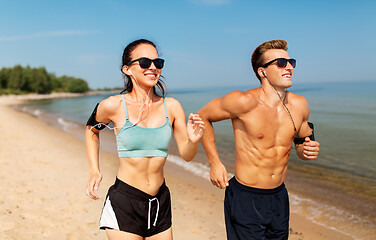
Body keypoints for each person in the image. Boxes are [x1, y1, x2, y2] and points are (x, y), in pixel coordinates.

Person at [197, 39, 320, 240]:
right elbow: (202, 116)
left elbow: (302, 140)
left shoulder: (300, 104)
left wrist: (306, 151)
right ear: (262, 72)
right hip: (246, 197)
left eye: (291, 62)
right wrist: (214, 162)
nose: (289, 67)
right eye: (281, 63)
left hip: (279, 197)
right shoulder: (243, 101)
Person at [85, 39, 205, 240]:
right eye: (144, 62)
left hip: (160, 201)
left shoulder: (172, 106)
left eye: (158, 63)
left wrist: (193, 141)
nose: (153, 68)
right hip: (125, 201)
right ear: (127, 69)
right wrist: (94, 171)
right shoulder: (113, 105)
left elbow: (186, 155)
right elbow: (91, 130)